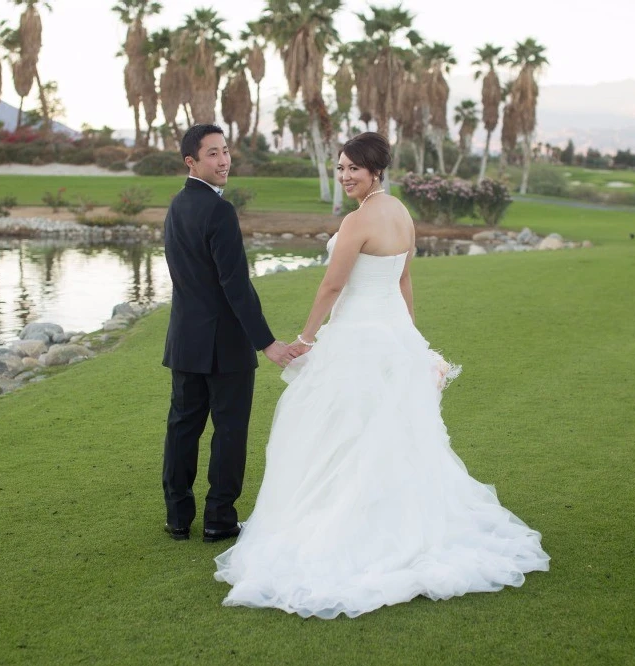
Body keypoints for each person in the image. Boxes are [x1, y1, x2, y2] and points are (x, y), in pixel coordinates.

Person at [213, 132, 549, 618]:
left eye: (354, 169)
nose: (346, 176)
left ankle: (346, 529)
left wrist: (306, 339)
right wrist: (410, 337)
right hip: (390, 336)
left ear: (375, 171)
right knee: (387, 434)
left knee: (343, 431)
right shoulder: (401, 213)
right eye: (342, 167)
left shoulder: (358, 219)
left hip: (357, 338)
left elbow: (332, 285)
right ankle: (390, 519)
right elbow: (403, 278)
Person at [162, 124, 298, 544]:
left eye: (225, 152)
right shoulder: (219, 211)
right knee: (229, 430)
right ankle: (220, 519)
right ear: (192, 162)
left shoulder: (176, 206)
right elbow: (234, 284)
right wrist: (267, 342)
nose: (224, 161)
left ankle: (178, 518)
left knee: (183, 428)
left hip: (185, 340)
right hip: (224, 345)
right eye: (213, 154)